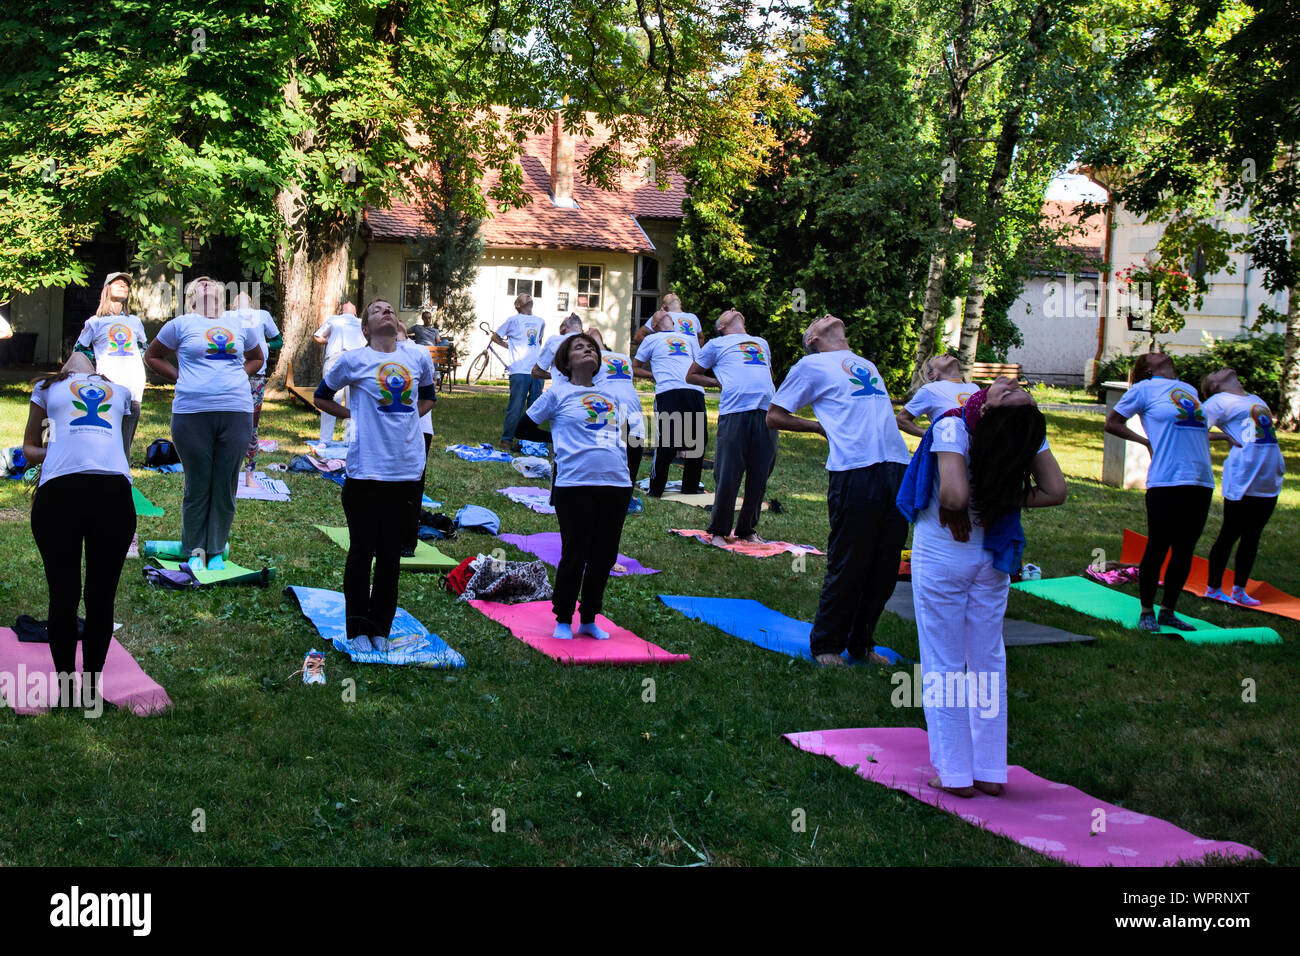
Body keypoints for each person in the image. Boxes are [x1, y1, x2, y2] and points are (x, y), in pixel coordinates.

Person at [898, 379, 1067, 797]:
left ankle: (955, 773)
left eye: (1010, 393)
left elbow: (953, 495)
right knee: (988, 658)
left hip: (944, 556)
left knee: (944, 662)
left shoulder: (953, 426)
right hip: (991, 557)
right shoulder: (1028, 430)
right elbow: (1055, 491)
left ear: (989, 413)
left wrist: (964, 505)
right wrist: (1003, 502)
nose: (1010, 384)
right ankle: (991, 771)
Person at [767, 314, 909, 667]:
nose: (827, 315)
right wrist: (818, 428)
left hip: (895, 466)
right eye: (818, 319)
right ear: (813, 338)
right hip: (854, 470)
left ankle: (861, 643)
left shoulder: (866, 363)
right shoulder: (809, 365)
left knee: (885, 565)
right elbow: (775, 415)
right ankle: (827, 645)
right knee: (850, 562)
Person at [314, 299, 435, 655]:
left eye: (389, 309)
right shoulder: (354, 360)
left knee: (390, 554)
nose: (386, 311)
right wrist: (353, 413)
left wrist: (410, 417)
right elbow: (322, 396)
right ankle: (357, 629)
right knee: (362, 549)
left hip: (406, 469)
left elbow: (428, 397)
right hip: (366, 469)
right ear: (365, 328)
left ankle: (380, 627)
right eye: (376, 310)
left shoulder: (418, 357)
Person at [22, 367, 137, 710]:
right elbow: (31, 447)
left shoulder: (120, 392)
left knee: (100, 598)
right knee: (64, 595)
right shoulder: (48, 388)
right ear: (65, 368)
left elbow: (120, 444)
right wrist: (57, 452)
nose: (83, 357)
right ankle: (67, 690)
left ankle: (89, 693)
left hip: (112, 495)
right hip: (60, 495)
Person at [513, 334, 639, 640]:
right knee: (575, 551)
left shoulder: (612, 395)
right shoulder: (558, 393)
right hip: (575, 483)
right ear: (566, 361)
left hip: (616, 484)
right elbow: (524, 427)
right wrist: (556, 441)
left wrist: (630, 481)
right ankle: (563, 617)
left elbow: (631, 439)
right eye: (580, 347)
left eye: (592, 348)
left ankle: (589, 618)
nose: (589, 351)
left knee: (605, 555)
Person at [144, 277, 263, 570]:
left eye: (212, 283)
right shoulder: (181, 324)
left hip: (236, 411)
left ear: (223, 293)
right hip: (191, 413)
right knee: (197, 484)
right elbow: (153, 356)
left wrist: (237, 377)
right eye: (201, 283)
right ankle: (195, 550)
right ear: (191, 296)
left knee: (225, 484)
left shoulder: (239, 323)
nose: (207, 284)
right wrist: (180, 378)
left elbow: (256, 358)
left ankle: (216, 550)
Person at [1104, 351, 1215, 632]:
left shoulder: (1187, 388)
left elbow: (1195, 428)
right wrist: (1145, 441)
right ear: (1148, 368)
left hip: (1201, 478)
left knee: (1185, 548)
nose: (1160, 352)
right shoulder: (1143, 389)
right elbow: (1112, 423)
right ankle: (1146, 612)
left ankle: (1168, 611)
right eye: (1151, 354)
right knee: (1158, 545)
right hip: (1167, 478)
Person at [687, 309, 777, 545]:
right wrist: (717, 381)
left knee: (760, 474)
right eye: (728, 312)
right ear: (721, 325)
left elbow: (768, 375)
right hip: (734, 412)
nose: (735, 309)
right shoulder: (716, 344)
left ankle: (747, 529)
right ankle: (718, 531)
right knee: (728, 473)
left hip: (766, 413)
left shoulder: (761, 343)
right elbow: (692, 375)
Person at [1200, 368, 1285, 605]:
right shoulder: (1217, 402)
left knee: (1253, 535)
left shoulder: (1254, 399)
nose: (1221, 369)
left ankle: (1239, 589)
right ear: (1214, 386)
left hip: (1269, 474)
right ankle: (1214, 588)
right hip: (1244, 474)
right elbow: (1193, 429)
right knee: (1230, 533)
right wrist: (1224, 437)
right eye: (1215, 372)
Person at [634, 310, 716, 497]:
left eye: (666, 312)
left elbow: (700, 363)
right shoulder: (651, 340)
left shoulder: (689, 339)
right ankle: (656, 489)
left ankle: (690, 488)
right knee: (668, 444)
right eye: (659, 312)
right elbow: (634, 367)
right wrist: (652, 375)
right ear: (653, 325)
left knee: (698, 442)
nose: (663, 311)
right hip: (668, 391)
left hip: (694, 391)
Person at [74, 272, 148, 456]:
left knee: (125, 443)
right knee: (104, 438)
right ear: (107, 289)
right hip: (107, 387)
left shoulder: (135, 321)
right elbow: (80, 352)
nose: (123, 285)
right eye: (118, 283)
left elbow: (143, 350)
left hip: (134, 387)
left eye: (126, 284)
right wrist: (92, 377)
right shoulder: (95, 322)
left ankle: (123, 478)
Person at [223, 292, 281, 487]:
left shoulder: (262, 315)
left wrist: (263, 344)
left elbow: (278, 341)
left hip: (256, 376)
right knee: (229, 423)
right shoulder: (225, 317)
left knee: (251, 426)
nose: (243, 298)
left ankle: (249, 474)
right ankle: (229, 472)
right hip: (231, 374)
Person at [395, 323, 437, 557]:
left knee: (412, 484)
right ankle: (387, 536)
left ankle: (407, 542)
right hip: (388, 429)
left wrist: (409, 419)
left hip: (417, 427)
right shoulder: (371, 352)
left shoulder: (419, 352)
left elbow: (429, 392)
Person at [589, 328, 646, 485]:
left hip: (632, 410)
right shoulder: (591, 359)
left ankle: (627, 494)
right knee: (609, 458)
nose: (591, 331)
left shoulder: (623, 358)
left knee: (632, 458)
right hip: (609, 411)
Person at [493, 293, 546, 449]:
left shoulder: (540, 321)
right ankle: (507, 439)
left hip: (537, 371)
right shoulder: (513, 320)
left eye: (529, 295)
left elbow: (538, 341)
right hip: (519, 370)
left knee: (535, 407)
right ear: (517, 304)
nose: (529, 296)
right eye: (523, 296)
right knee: (516, 406)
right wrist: (509, 347)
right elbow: (496, 337)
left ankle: (529, 440)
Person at [314, 302, 365, 443]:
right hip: (356, 359)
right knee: (353, 401)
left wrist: (328, 340)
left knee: (329, 399)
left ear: (341, 311)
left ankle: (325, 440)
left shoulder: (333, 319)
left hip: (335, 359)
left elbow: (317, 337)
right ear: (355, 313)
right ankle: (351, 439)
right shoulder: (361, 322)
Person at [897, 353, 976, 438]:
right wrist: (929, 435)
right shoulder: (930, 390)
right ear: (932, 374)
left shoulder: (974, 388)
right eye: (938, 357)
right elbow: (901, 419)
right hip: (949, 449)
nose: (946, 353)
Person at [632, 293, 703, 350]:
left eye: (674, 294)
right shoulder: (662, 316)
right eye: (668, 295)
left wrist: (696, 353)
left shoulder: (693, 316)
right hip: (672, 358)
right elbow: (638, 336)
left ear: (680, 302)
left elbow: (701, 338)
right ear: (664, 305)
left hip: (692, 362)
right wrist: (658, 348)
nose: (673, 293)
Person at [533, 314, 583, 383]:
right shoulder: (592, 343)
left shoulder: (555, 341)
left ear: (563, 328)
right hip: (587, 391)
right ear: (582, 330)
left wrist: (556, 376)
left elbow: (536, 372)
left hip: (562, 390)